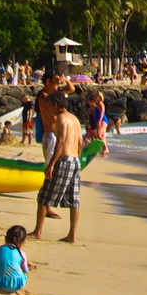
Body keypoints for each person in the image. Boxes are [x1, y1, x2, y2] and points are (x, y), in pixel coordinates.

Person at [34, 103, 83, 242]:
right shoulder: (75, 119)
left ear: (55, 104)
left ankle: (38, 231)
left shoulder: (61, 119)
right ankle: (71, 235)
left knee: (43, 196)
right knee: (74, 200)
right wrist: (77, 160)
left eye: (50, 106)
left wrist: (51, 164)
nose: (48, 109)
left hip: (64, 160)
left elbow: (60, 143)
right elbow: (80, 144)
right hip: (75, 161)